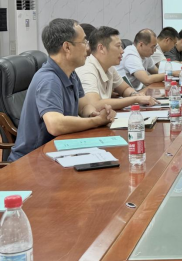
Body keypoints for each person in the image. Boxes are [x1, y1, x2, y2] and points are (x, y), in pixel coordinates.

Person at [8, 19, 115, 161]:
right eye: (84, 42)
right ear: (67, 47)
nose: (88, 48)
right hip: (33, 160)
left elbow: (83, 106)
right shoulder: (49, 80)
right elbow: (55, 125)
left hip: (57, 151)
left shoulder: (71, 73)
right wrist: (96, 121)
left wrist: (93, 114)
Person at [76, 26, 158, 111]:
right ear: (101, 48)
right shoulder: (87, 69)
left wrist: (134, 94)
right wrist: (135, 99)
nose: (122, 51)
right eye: (118, 46)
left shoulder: (110, 67)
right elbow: (94, 104)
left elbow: (125, 89)